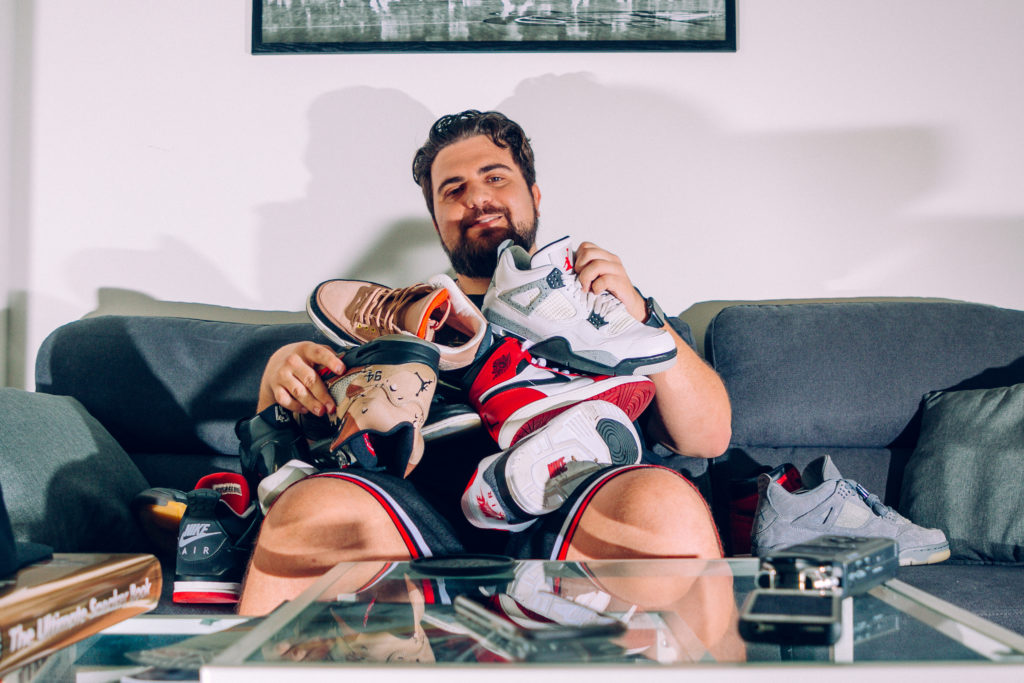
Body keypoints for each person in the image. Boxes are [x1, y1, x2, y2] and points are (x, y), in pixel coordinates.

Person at [237, 110, 732, 617]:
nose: (476, 197)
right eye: (453, 190)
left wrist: (640, 314)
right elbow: (282, 456)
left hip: (577, 520)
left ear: (534, 196)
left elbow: (709, 438)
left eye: (495, 178)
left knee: (664, 502)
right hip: (410, 528)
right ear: (437, 222)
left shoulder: (608, 309)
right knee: (309, 508)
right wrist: (277, 378)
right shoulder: (379, 324)